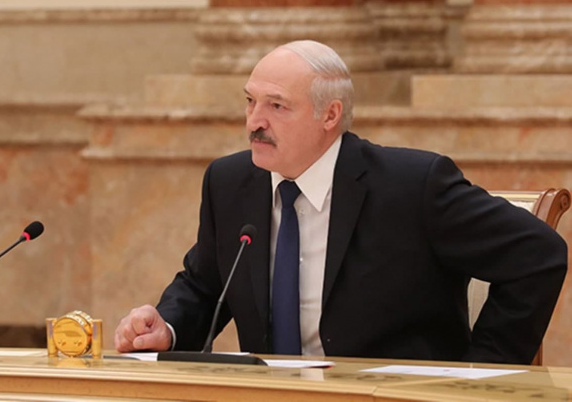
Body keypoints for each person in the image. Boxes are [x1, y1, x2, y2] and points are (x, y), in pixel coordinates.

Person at [114, 40, 567, 364]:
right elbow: (204, 285)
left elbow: (538, 254)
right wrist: (166, 327)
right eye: (250, 102)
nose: (254, 122)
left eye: (276, 106)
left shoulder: (412, 186)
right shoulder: (230, 181)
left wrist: (481, 371)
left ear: (329, 115)